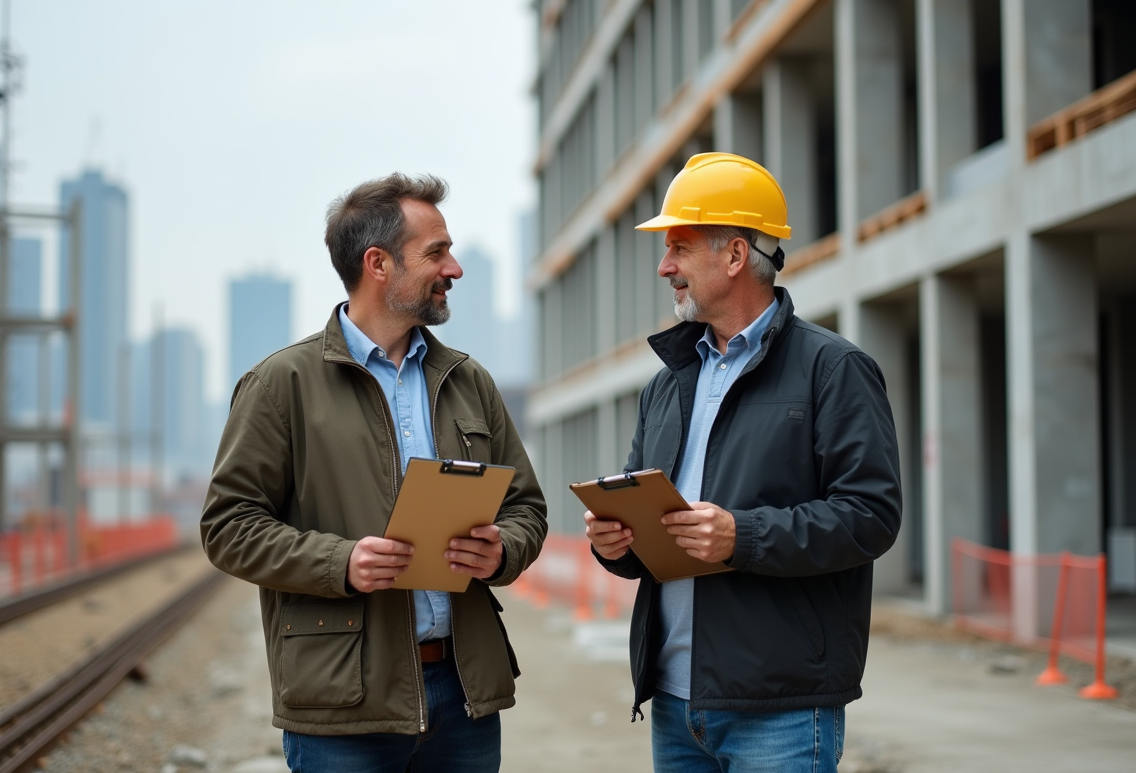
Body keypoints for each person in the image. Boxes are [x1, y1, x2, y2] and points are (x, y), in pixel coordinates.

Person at [201, 173, 547, 773]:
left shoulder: (468, 381)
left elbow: (526, 510)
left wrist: (502, 552)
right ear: (378, 263)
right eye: (437, 253)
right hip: (345, 705)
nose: (455, 268)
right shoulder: (282, 386)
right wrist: (343, 563)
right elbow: (228, 526)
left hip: (463, 694)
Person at [584, 153, 902, 773]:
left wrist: (741, 536)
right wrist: (614, 542)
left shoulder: (833, 370)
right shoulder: (668, 385)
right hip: (675, 704)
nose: (664, 266)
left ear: (734, 256)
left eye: (678, 247)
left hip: (780, 707)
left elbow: (870, 516)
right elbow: (651, 524)